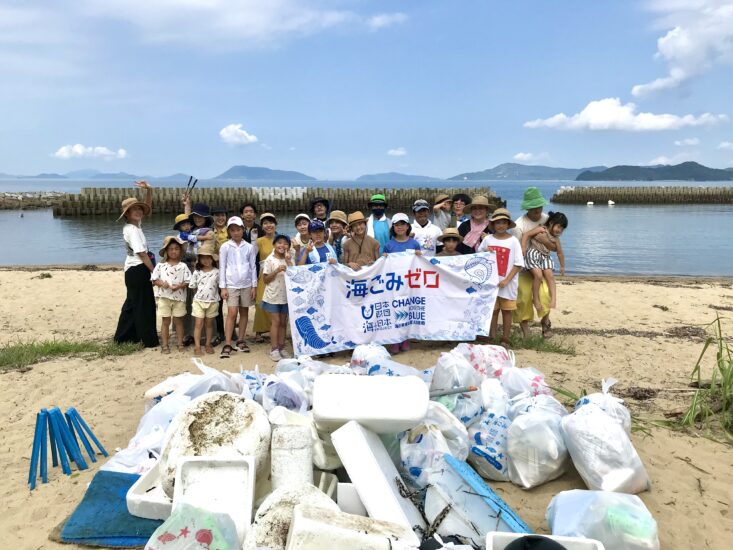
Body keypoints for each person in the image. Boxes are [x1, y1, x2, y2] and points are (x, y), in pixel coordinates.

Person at [114, 182, 159, 348]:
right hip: (138, 269)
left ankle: (123, 337)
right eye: (134, 210)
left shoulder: (134, 226)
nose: (139, 211)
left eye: (139, 209)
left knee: (133, 304)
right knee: (144, 305)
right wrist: (154, 271)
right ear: (127, 214)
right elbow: (142, 253)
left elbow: (146, 208)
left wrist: (149, 191)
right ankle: (148, 340)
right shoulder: (132, 230)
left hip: (132, 270)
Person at [478, 209, 524, 349]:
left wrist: (507, 280)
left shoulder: (513, 241)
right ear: (493, 224)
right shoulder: (487, 239)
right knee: (492, 311)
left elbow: (518, 264)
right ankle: (491, 335)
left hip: (507, 284)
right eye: (497, 223)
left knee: (507, 311)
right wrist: (486, 252)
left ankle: (505, 337)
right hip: (491, 283)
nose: (501, 225)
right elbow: (479, 256)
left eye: (504, 222)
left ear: (508, 224)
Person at [512, 187, 552, 338]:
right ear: (527, 207)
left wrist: (545, 242)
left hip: (541, 262)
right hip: (523, 266)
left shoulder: (546, 219)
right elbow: (516, 250)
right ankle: (525, 330)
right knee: (523, 297)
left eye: (539, 206)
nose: (537, 209)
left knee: (545, 293)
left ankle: (546, 323)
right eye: (533, 207)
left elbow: (553, 244)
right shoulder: (518, 225)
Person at [218, 216, 257, 358]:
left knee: (244, 312)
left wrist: (254, 286)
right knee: (232, 313)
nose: (236, 233)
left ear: (242, 229)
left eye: (238, 229)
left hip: (246, 284)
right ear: (229, 232)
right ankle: (228, 343)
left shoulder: (249, 247)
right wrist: (223, 287)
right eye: (232, 230)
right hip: (231, 284)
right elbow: (222, 267)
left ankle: (241, 340)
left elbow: (253, 267)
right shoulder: (225, 247)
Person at [383, 213, 421, 354]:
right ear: (393, 227)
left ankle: (405, 339)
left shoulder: (414, 243)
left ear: (407, 226)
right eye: (397, 224)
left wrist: (419, 256)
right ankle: (395, 340)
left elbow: (420, 264)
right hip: (394, 285)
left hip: (410, 284)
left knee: (408, 310)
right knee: (395, 311)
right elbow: (384, 266)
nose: (400, 227)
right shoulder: (389, 245)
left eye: (402, 224)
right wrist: (384, 258)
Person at [151, 236, 191, 354]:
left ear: (180, 251)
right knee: (165, 321)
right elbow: (154, 280)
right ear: (166, 251)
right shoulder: (160, 265)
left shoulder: (183, 266)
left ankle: (180, 343)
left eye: (176, 249)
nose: (174, 251)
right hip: (164, 297)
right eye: (171, 249)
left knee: (178, 321)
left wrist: (179, 286)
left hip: (179, 298)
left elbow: (188, 281)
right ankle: (165, 345)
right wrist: (162, 284)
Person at [522, 211, 567, 312]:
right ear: (551, 223)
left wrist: (562, 266)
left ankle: (554, 299)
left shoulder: (556, 239)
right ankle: (536, 299)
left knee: (550, 276)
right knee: (538, 275)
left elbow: (560, 253)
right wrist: (523, 247)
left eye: (562, 229)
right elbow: (526, 235)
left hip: (545, 257)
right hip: (533, 253)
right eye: (559, 227)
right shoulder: (541, 229)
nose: (560, 230)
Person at [261, 234, 294, 361]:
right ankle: (274, 349)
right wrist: (276, 271)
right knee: (276, 322)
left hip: (286, 295)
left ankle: (282, 346)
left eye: (286, 243)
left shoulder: (289, 258)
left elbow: (294, 275)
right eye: (279, 243)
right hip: (273, 295)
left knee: (283, 322)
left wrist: (289, 261)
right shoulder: (270, 260)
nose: (282, 245)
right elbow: (265, 279)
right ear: (274, 245)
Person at [188, 242, 220, 356]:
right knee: (198, 324)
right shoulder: (197, 272)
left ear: (212, 259)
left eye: (208, 258)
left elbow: (220, 286)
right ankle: (197, 346)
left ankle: (208, 344)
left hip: (213, 301)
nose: (206, 261)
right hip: (198, 301)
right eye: (203, 258)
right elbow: (193, 287)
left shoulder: (217, 272)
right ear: (199, 260)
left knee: (209, 324)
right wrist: (199, 296)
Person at [254, 213, 279, 342]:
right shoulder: (259, 241)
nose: (268, 225)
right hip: (264, 273)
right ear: (262, 226)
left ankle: (274, 330)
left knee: (276, 301)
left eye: (271, 222)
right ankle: (259, 331)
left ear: (275, 224)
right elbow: (253, 260)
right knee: (260, 302)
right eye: (265, 223)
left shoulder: (281, 239)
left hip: (278, 274)